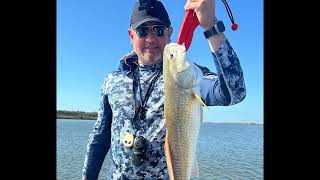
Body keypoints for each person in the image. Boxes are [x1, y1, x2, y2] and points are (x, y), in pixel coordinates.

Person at [82, 0, 246, 179]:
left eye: (159, 30)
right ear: (131, 35)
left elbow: (234, 93)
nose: (151, 39)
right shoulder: (112, 80)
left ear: (169, 33)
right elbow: (99, 138)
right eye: (142, 31)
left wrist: (211, 27)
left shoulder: (186, 73)